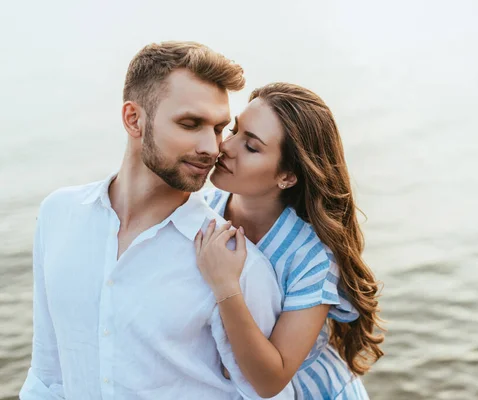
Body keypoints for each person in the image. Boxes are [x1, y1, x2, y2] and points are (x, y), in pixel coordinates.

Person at [20, 42, 293, 400]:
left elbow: (267, 393)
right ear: (134, 119)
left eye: (217, 128)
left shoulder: (236, 264)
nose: (212, 148)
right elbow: (47, 373)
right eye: (190, 124)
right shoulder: (58, 215)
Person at [195, 82, 384, 399]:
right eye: (234, 131)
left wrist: (226, 287)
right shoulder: (200, 210)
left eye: (251, 147)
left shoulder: (311, 257)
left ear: (287, 176)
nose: (226, 147)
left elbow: (271, 381)